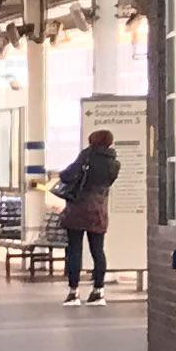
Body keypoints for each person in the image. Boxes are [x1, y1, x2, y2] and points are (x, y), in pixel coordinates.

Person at [56, 130, 120, 305]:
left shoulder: (87, 156)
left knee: (74, 250)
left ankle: (73, 293)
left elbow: (67, 175)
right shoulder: (114, 163)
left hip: (78, 209)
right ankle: (98, 292)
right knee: (98, 251)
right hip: (99, 210)